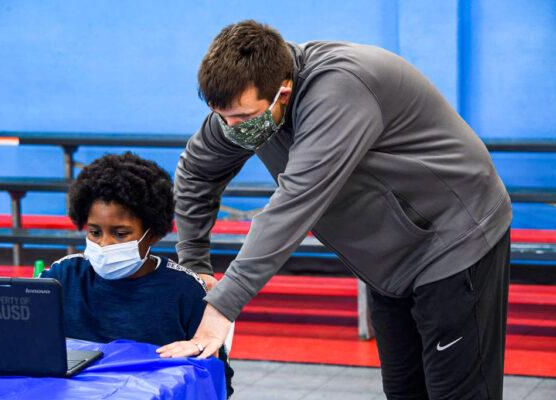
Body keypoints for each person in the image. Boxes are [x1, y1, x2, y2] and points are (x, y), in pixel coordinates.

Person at [158, 20, 512, 399]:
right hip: (389, 259)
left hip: (455, 239)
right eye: (222, 117)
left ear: (284, 92)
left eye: (243, 118)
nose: (231, 129)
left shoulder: (339, 89)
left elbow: (296, 201)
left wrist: (222, 307)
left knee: (457, 393)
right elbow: (196, 172)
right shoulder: (243, 110)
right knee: (405, 391)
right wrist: (194, 264)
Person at [40, 152, 233, 397]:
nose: (105, 244)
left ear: (152, 234)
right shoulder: (64, 276)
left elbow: (217, 377)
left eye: (121, 234)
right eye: (94, 232)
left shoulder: (184, 290)